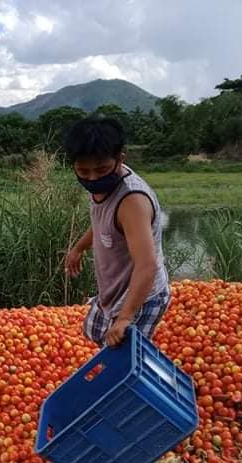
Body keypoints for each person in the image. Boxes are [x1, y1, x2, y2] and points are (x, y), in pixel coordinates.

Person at [64, 117, 170, 348]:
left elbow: (146, 265)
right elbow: (103, 222)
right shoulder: (103, 186)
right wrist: (79, 248)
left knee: (121, 354)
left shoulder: (132, 202)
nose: (92, 178)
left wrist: (125, 318)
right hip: (114, 291)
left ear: (120, 159)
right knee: (93, 332)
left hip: (141, 295)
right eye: (83, 171)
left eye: (101, 169)